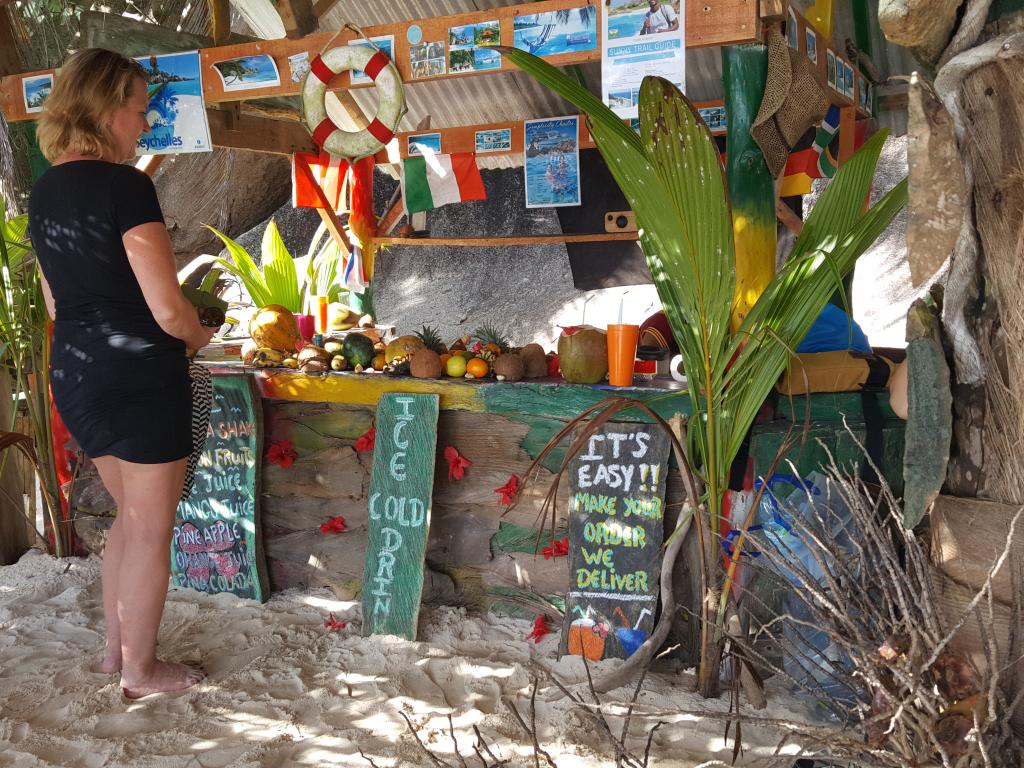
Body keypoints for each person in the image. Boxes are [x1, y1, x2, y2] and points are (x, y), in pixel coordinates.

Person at [29, 48, 217, 699]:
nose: (143, 124)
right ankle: (140, 670)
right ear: (107, 111)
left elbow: (56, 300)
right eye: (138, 110)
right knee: (150, 528)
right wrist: (202, 336)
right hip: (138, 375)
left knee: (129, 523)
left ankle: (117, 656)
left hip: (76, 372)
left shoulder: (45, 189)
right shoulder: (127, 187)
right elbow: (168, 308)